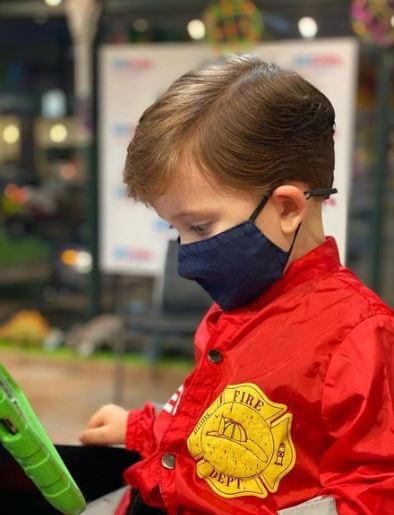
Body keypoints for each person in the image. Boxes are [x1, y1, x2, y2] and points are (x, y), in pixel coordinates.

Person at [79, 56, 394, 515]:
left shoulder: (359, 337)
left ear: (287, 208)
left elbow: (375, 493)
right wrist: (141, 428)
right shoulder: (234, 305)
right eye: (176, 231)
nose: (186, 257)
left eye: (200, 227)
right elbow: (211, 428)